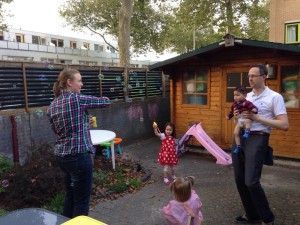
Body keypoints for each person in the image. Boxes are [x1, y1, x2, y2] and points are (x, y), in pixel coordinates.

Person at [47, 68, 111, 218]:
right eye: (79, 80)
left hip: (63, 158)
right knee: (81, 202)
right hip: (79, 157)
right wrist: (108, 98)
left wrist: (83, 122)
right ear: (69, 82)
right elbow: (105, 102)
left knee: (70, 197)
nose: (81, 84)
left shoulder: (52, 106)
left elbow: (60, 131)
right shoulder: (76, 98)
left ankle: (65, 221)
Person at [233, 64, 289, 225]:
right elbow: (241, 119)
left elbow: (284, 125)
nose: (250, 78)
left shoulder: (274, 97)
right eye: (249, 75)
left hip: (258, 138)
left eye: (254, 75)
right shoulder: (247, 96)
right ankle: (252, 215)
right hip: (241, 138)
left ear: (264, 77)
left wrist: (258, 119)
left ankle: (267, 218)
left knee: (251, 181)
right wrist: (237, 117)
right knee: (240, 180)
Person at [227, 86, 258, 154]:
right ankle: (238, 146)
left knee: (248, 120)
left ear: (245, 95)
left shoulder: (247, 103)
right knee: (235, 133)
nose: (235, 97)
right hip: (240, 120)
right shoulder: (234, 104)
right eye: (234, 95)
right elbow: (231, 112)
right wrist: (229, 116)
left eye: (237, 95)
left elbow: (254, 108)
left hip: (246, 118)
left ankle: (247, 131)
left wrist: (253, 110)